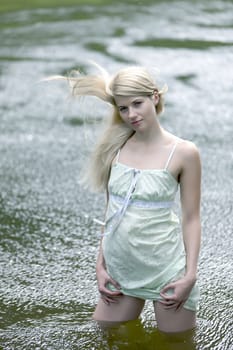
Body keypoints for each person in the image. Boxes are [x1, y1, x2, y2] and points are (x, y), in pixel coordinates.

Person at [67, 63, 201, 334]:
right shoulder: (115, 148)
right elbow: (111, 212)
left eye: (137, 103)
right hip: (120, 270)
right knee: (105, 336)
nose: (131, 114)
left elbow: (191, 218)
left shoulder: (184, 152)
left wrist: (190, 276)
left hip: (166, 270)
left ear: (154, 96)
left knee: (175, 344)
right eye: (123, 108)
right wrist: (100, 266)